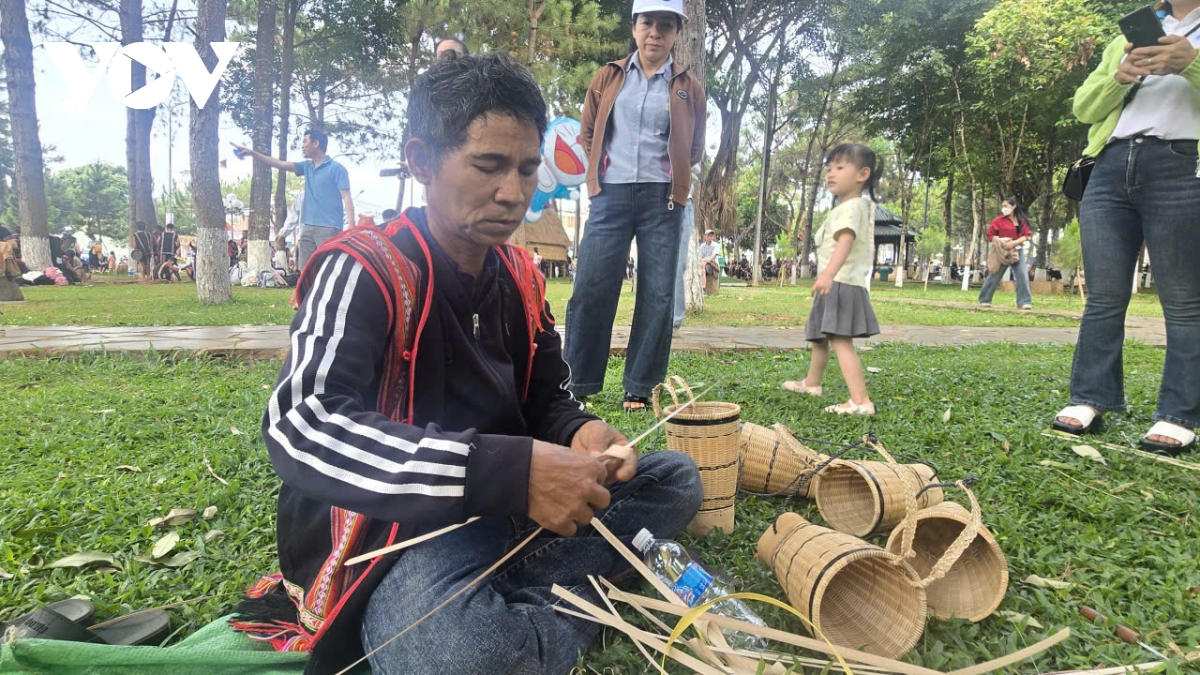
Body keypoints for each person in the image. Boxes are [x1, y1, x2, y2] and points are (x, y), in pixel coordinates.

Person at [229, 53, 702, 675]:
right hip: (404, 535)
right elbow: (303, 424)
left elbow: (544, 400)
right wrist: (508, 474)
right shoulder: (365, 268)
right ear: (423, 161)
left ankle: (515, 593)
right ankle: (567, 586)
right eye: (489, 165)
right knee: (462, 658)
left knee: (674, 479)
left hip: (509, 504)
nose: (513, 192)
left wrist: (577, 432)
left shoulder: (519, 278)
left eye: (528, 169)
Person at [1053, 0, 1200, 455]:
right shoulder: (1134, 30)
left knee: (1184, 299)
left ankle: (1179, 413)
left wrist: (1191, 64)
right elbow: (1083, 107)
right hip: (1113, 163)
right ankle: (1090, 397)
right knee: (1104, 296)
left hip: (1182, 164)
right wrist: (1120, 76)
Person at [565, 0, 707, 411]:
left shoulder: (686, 87)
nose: (655, 33)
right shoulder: (607, 77)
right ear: (634, 27)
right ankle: (578, 382)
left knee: (658, 292)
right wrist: (601, 170)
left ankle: (640, 386)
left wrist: (674, 171)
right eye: (648, 23)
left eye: (666, 25)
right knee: (591, 286)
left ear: (678, 32)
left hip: (663, 198)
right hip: (610, 194)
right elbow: (589, 131)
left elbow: (694, 146)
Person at [782, 143, 882, 416]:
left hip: (840, 282)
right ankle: (812, 383)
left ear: (862, 174)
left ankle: (861, 401)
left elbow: (845, 242)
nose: (831, 174)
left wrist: (827, 274)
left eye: (839, 167)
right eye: (829, 168)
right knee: (819, 338)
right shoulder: (849, 207)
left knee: (840, 341)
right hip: (834, 283)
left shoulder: (852, 208)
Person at [235, 128, 354, 269]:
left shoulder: (337, 169)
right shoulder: (307, 166)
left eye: (305, 141)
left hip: (329, 228)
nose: (302, 145)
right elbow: (280, 164)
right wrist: (253, 153)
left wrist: (352, 226)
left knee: (328, 270)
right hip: (307, 227)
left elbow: (346, 196)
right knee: (305, 272)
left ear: (316, 143)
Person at [978, 197, 1033, 309]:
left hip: (1017, 250)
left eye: (1006, 206)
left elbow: (1026, 236)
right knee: (994, 274)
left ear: (1013, 206)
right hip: (1002, 251)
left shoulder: (1021, 220)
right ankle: (985, 299)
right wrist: (1001, 240)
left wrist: (1013, 243)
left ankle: (1024, 302)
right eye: (1002, 206)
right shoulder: (998, 220)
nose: (1003, 209)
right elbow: (990, 236)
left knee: (1022, 275)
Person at [699, 229, 719, 295]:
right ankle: (703, 288)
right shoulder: (702, 246)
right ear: (705, 236)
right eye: (708, 235)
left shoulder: (716, 245)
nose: (710, 237)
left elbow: (711, 258)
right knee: (702, 265)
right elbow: (700, 256)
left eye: (711, 235)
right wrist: (703, 261)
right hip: (704, 264)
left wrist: (704, 260)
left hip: (713, 265)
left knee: (703, 265)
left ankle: (703, 287)